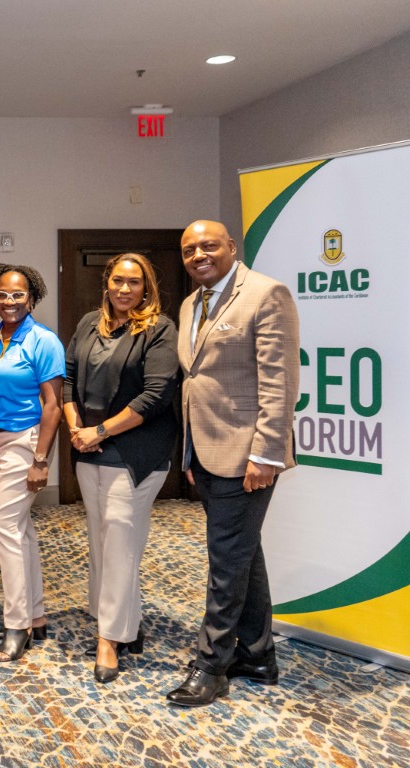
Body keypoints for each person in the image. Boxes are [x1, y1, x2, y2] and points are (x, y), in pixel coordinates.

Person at [166, 220, 300, 707]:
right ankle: (258, 655)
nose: (198, 255)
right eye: (189, 249)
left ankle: (212, 665)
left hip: (248, 454)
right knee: (243, 554)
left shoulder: (266, 294)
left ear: (231, 247)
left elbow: (280, 383)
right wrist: (191, 451)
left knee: (226, 562)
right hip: (206, 452)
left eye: (208, 246)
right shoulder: (190, 303)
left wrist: (265, 454)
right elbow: (197, 381)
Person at [62, 253, 179, 683]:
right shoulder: (89, 323)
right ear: (106, 283)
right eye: (117, 280)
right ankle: (119, 619)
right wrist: (77, 429)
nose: (124, 289)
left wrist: (100, 431)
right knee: (102, 538)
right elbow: (68, 379)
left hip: (135, 453)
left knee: (120, 542)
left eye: (134, 282)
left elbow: (156, 394)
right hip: (88, 449)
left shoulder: (159, 329)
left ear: (146, 287)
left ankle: (110, 639)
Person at [0, 263, 64, 662]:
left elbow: (53, 405)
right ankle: (36, 615)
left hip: (25, 442)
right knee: (20, 529)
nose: (9, 301)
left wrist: (41, 459)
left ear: (32, 298)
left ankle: (17, 625)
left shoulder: (44, 341)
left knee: (3, 525)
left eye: (18, 294)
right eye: (2, 294)